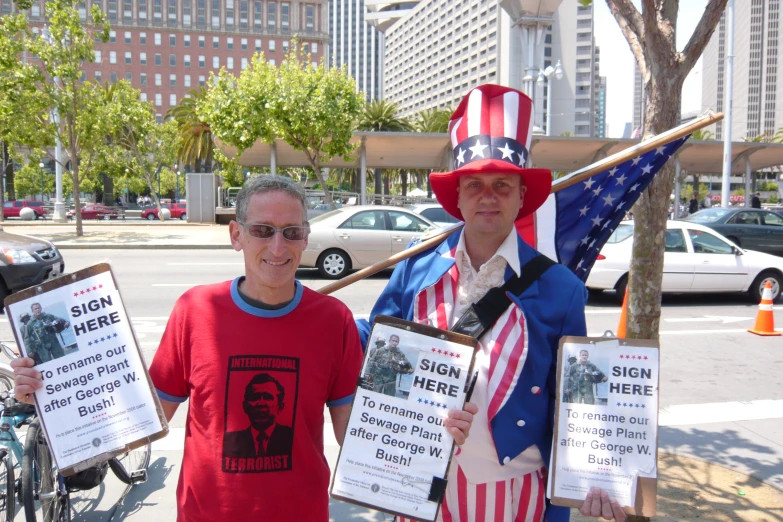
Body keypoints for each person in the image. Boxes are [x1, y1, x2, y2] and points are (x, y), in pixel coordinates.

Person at [11, 175, 476, 522]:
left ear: (306, 239)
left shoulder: (333, 321)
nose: (278, 245)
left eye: (292, 232)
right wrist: (54, 395)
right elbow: (147, 416)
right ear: (236, 235)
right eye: (263, 230)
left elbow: (354, 429)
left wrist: (426, 428)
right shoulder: (195, 310)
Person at [357, 84, 625, 522]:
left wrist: (598, 474)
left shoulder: (562, 289)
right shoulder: (414, 271)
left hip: (516, 494)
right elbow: (377, 353)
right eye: (475, 184)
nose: (488, 196)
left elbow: (576, 401)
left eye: (503, 185)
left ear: (522, 197)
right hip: (420, 486)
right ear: (457, 197)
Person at [223, 373, 293, 460]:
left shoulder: (291, 437)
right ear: (245, 406)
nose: (260, 403)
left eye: (268, 397)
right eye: (254, 397)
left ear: (280, 406)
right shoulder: (233, 439)